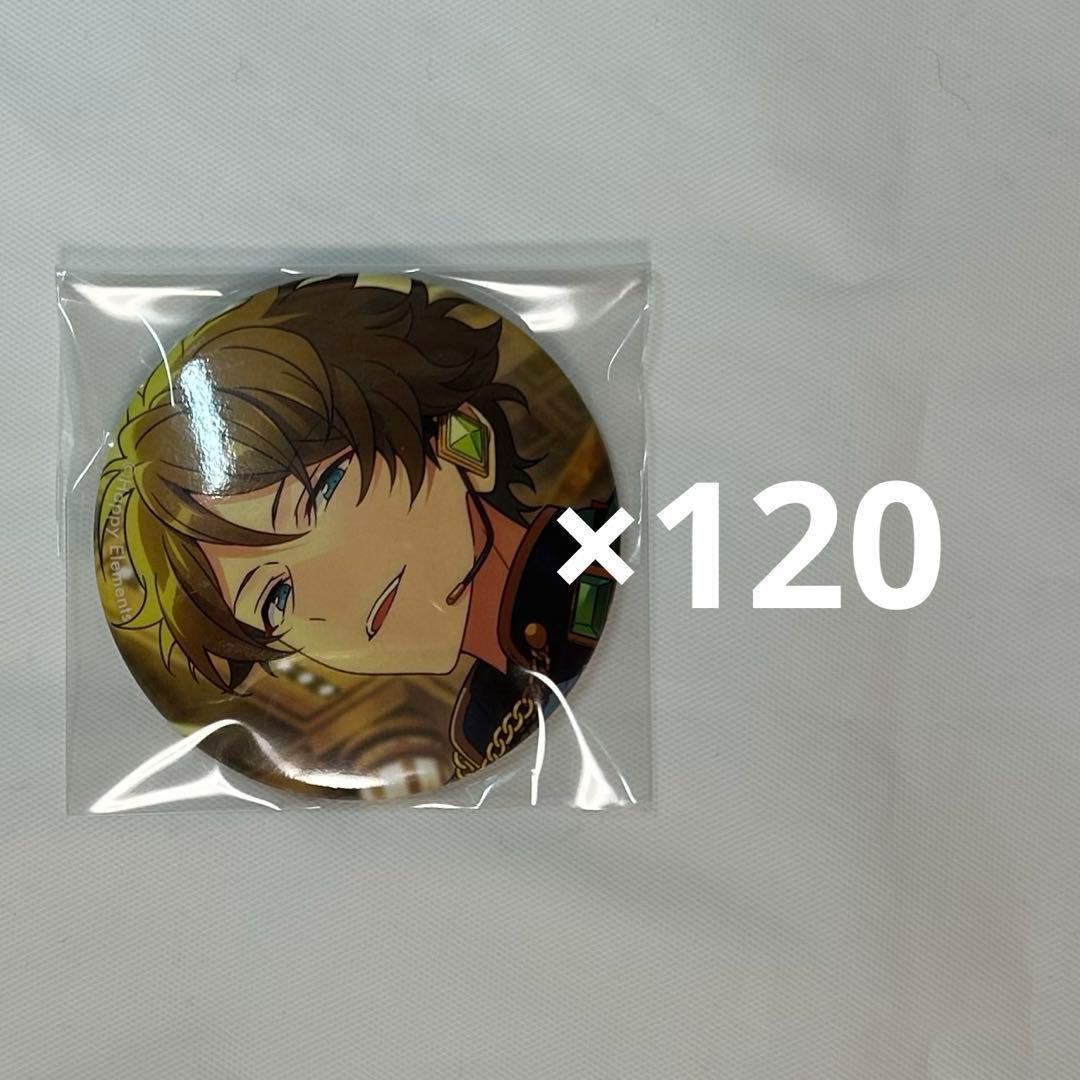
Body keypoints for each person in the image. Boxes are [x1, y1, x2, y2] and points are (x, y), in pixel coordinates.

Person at [96, 276, 617, 777]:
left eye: (322, 491)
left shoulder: (600, 569)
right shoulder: (480, 731)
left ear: (460, 437)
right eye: (275, 599)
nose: (329, 590)